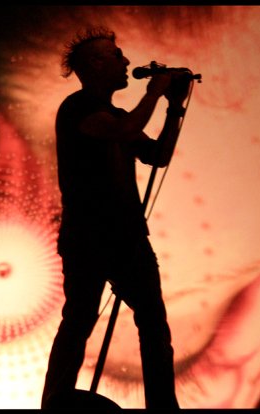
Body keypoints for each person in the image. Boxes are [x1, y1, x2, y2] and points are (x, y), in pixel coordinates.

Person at [42, 26, 191, 409]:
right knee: (79, 322)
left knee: (153, 324)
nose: (126, 61)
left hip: (127, 236)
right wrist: (154, 92)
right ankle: (54, 402)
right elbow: (124, 131)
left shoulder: (117, 115)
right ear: (95, 64)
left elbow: (157, 155)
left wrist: (174, 108)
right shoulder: (77, 108)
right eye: (116, 55)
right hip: (88, 237)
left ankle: (163, 405)